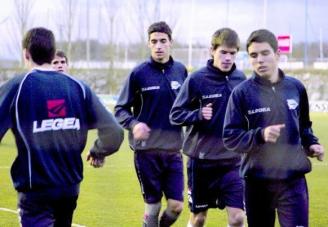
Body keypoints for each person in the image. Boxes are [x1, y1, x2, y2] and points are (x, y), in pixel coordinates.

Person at [0, 27, 124, 227]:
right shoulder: (78, 87)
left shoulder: (18, 86)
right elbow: (115, 132)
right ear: (52, 53)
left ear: (25, 54)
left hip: (36, 191)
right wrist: (98, 151)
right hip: (69, 189)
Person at [223, 29, 325, 227]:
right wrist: (260, 135)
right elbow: (230, 137)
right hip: (257, 183)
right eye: (253, 55)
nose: (259, 60)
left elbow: (304, 126)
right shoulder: (241, 94)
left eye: (265, 53)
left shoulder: (295, 88)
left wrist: (312, 143)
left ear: (277, 55)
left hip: (293, 181)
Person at [170, 28, 246, 227]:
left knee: (238, 218)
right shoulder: (197, 79)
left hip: (233, 162)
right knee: (199, 219)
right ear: (212, 50)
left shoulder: (241, 80)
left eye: (232, 53)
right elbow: (175, 115)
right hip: (201, 163)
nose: (228, 58)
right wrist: (197, 114)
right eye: (223, 52)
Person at [114, 21, 187, 227]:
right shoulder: (138, 74)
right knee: (153, 208)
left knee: (176, 206)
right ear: (148, 44)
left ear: (170, 43)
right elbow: (120, 109)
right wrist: (134, 124)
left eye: (163, 41)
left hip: (173, 150)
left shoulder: (181, 71)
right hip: (146, 152)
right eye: (154, 41)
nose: (158, 46)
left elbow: (187, 106)